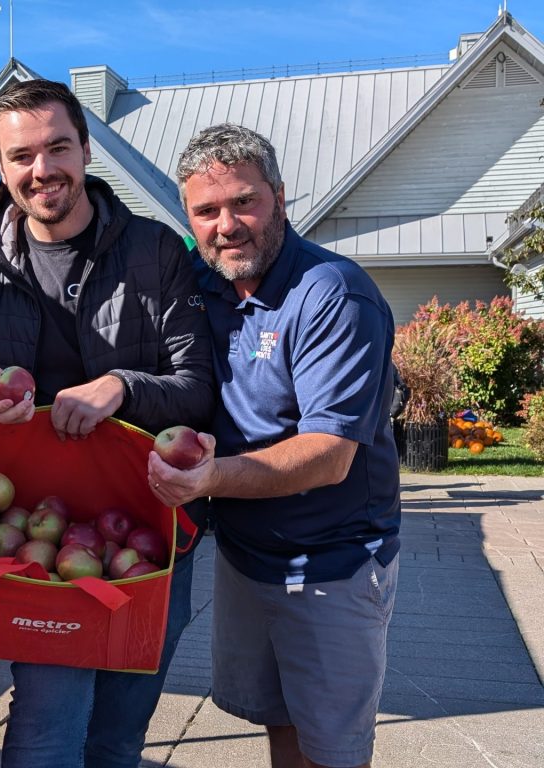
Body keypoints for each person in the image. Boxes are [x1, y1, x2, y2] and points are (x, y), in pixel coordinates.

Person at [0, 79, 215, 768]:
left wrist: (122, 386)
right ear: (1, 167)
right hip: (31, 532)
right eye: (21, 155)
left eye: (57, 147)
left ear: (86, 150)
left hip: (150, 529)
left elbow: (198, 391)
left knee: (120, 734)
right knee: (46, 727)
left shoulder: (155, 253)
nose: (41, 170)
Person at [149, 124, 401, 768]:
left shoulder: (331, 293)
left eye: (244, 202)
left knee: (332, 749)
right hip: (246, 555)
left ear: (280, 198)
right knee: (278, 721)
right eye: (206, 211)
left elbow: (328, 451)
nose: (227, 225)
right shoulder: (205, 291)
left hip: (331, 562)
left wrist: (208, 479)